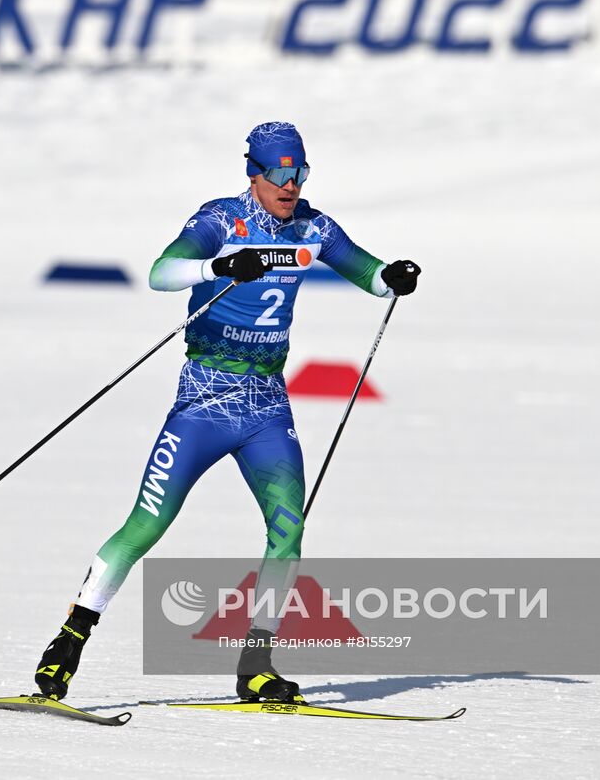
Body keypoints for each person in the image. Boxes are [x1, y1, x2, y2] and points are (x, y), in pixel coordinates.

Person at [33, 121, 420, 704]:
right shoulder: (221, 220)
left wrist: (391, 277)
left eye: (300, 174)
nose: (291, 185)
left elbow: (368, 274)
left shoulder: (315, 227)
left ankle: (256, 666)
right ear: (255, 174)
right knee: (148, 524)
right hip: (204, 401)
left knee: (288, 534)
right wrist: (219, 267)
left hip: (267, 406)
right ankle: (70, 639)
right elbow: (161, 272)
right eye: (280, 174)